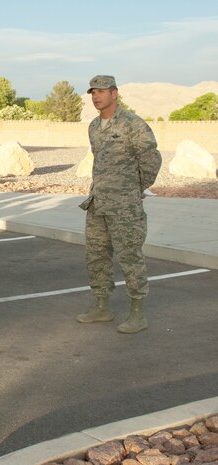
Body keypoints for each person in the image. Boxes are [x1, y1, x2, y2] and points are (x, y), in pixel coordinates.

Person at [77, 75, 162, 334]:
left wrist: (136, 187)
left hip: (124, 206)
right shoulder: (93, 126)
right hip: (98, 203)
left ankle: (137, 313)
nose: (96, 96)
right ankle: (102, 306)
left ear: (114, 94)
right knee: (96, 257)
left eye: (101, 91)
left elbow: (151, 159)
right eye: (93, 92)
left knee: (130, 257)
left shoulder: (132, 124)